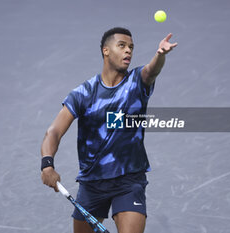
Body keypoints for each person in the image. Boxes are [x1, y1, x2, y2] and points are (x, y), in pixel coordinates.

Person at [41, 27, 177, 233]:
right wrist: (47, 165)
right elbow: (54, 132)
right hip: (92, 183)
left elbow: (151, 71)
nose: (128, 51)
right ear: (106, 50)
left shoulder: (137, 82)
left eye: (131, 47)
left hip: (129, 181)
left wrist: (159, 56)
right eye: (121, 46)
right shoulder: (84, 93)